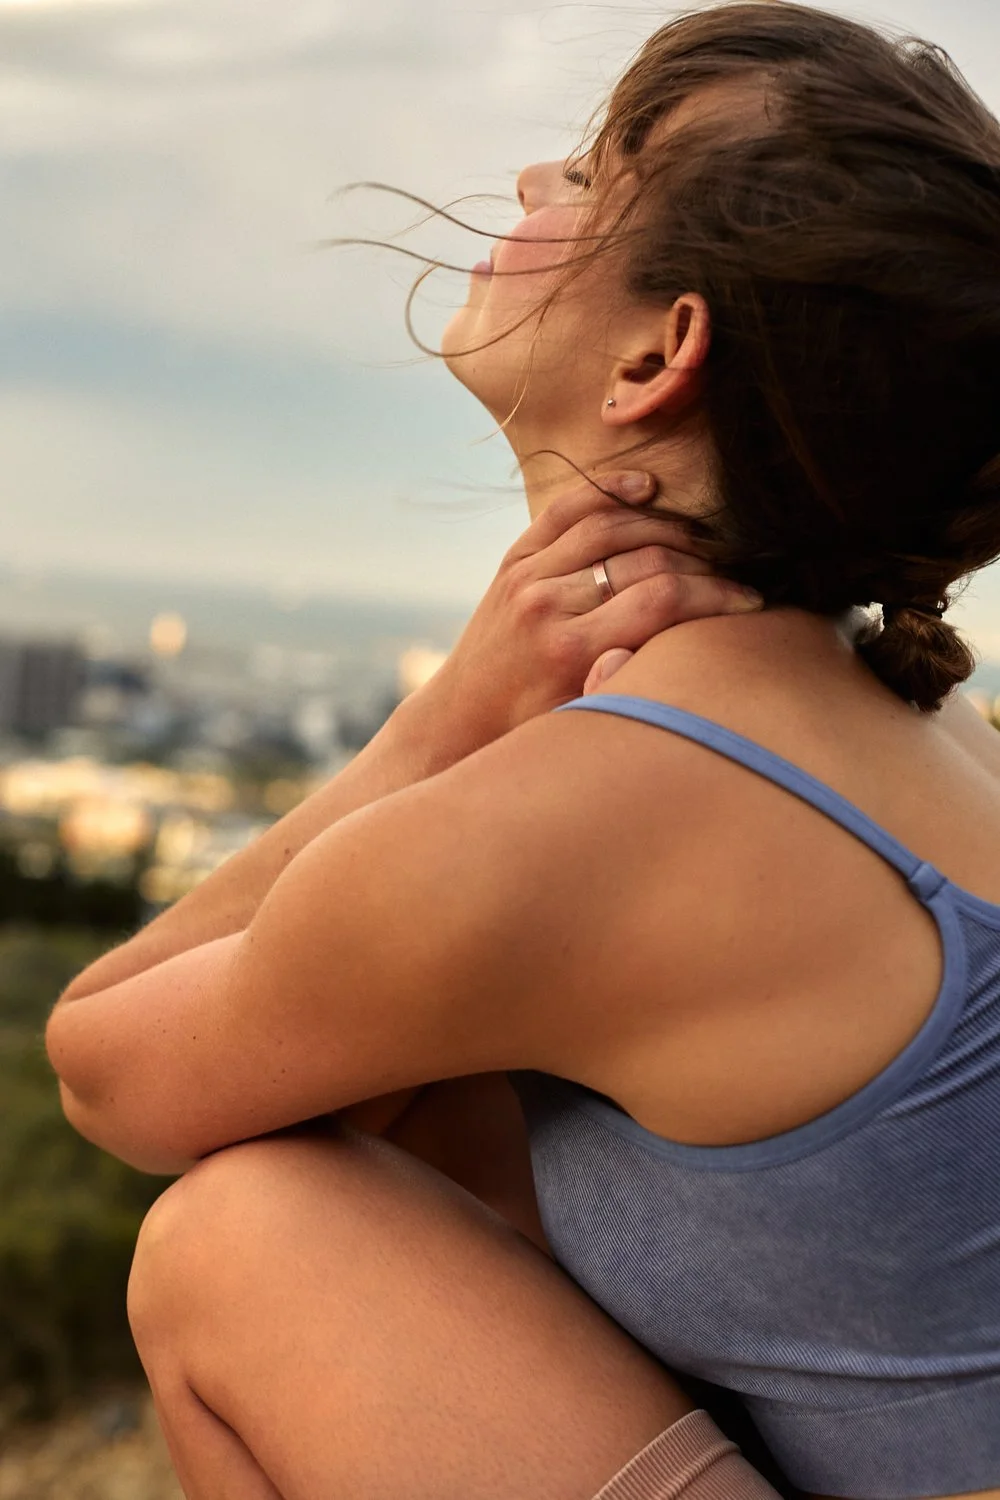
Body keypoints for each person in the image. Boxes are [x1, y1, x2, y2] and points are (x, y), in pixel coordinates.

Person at [44, 2, 1000, 1496]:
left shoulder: (616, 797)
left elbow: (105, 1067)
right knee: (407, 1103)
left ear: (657, 355)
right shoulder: (924, 713)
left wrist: (447, 719)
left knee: (242, 1234)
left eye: (590, 176)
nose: (526, 188)